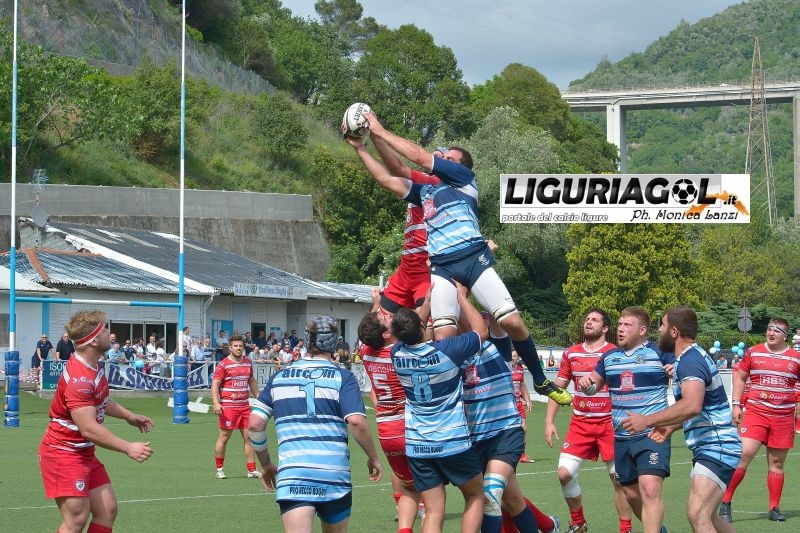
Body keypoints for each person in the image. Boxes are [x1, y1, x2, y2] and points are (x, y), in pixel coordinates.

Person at [344, 115, 571, 407]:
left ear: (458, 166)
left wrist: (379, 129)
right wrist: (360, 146)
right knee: (443, 336)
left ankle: (539, 379)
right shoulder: (425, 192)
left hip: (473, 259)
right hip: (442, 267)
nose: (441, 158)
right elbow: (388, 177)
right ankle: (453, 397)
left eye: (448, 158)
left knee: (511, 321)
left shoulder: (463, 180)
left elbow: (420, 158)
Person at [248, 315, 383, 533]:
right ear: (334, 341)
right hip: (333, 474)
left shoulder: (279, 377)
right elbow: (356, 421)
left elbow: (255, 424)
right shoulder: (343, 377)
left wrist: (266, 464)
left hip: (294, 475)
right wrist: (373, 456)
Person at [621, 306, 741, 533]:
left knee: (698, 514)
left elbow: (692, 405)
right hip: (715, 447)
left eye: (663, 325)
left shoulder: (689, 361)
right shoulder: (689, 358)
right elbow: (701, 407)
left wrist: (647, 420)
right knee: (710, 518)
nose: (659, 330)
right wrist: (670, 427)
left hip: (717, 446)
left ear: (674, 332)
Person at [38, 310, 153, 533]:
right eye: (105, 330)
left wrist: (129, 416)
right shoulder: (79, 379)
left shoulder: (93, 366)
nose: (110, 334)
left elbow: (100, 400)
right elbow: (89, 428)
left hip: (83, 453)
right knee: (76, 520)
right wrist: (128, 447)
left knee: (107, 510)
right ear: (93, 340)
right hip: (63, 453)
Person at [390, 295, 487, 533]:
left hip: (418, 445)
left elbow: (410, 330)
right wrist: (461, 298)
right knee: (475, 495)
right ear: (422, 326)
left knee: (433, 511)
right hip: (452, 440)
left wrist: (425, 306)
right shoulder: (448, 350)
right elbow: (481, 332)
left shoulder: (397, 354)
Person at [461, 302, 560, 533]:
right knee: (513, 502)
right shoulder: (456, 354)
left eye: (483, 318)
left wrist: (469, 288)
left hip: (505, 434)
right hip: (475, 440)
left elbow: (496, 311)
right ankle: (549, 527)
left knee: (490, 494)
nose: (479, 321)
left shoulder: (498, 348)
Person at [577, 306, 673, 533]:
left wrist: (674, 370)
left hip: (652, 434)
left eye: (627, 325)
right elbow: (593, 385)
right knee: (629, 493)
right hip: (621, 437)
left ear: (642, 330)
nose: (620, 329)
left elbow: (683, 374)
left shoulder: (660, 352)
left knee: (649, 488)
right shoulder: (609, 357)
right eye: (620, 324)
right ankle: (657, 529)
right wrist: (586, 384)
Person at [545, 308, 632, 533]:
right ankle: (578, 522)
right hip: (580, 424)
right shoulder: (571, 353)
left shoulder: (615, 353)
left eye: (595, 320)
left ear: (605, 328)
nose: (589, 322)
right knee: (564, 473)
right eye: (587, 319)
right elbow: (558, 389)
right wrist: (549, 421)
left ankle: (625, 529)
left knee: (619, 480)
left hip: (610, 425)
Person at [718, 317, 800, 523]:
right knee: (744, 455)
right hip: (756, 413)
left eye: (777, 330)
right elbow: (740, 377)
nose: (771, 333)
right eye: (769, 329)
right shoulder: (754, 352)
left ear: (785, 336)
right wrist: (736, 404)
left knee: (776, 463)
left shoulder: (796, 358)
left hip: (783, 418)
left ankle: (774, 508)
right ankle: (725, 502)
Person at [358, 309, 424, 533]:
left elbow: (368, 331)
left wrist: (377, 305)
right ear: (386, 334)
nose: (389, 316)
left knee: (407, 485)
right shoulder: (401, 352)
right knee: (431, 490)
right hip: (410, 427)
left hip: (386, 430)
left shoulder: (365, 352)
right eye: (385, 318)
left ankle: (403, 518)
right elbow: (416, 326)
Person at [212, 334, 261, 480]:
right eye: (235, 346)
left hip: (244, 406)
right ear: (230, 347)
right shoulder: (223, 364)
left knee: (249, 437)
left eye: (240, 346)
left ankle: (251, 470)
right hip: (228, 407)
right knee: (224, 437)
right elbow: (215, 383)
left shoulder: (247, 363)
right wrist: (216, 402)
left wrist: (259, 397)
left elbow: (251, 380)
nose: (238, 348)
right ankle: (219, 469)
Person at [510, 351, 535, 464]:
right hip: (508, 405)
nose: (512, 358)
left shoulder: (520, 369)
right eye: (511, 356)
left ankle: (522, 455)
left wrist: (527, 400)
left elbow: (522, 386)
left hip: (518, 405)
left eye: (515, 356)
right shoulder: (505, 368)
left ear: (518, 357)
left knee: (523, 429)